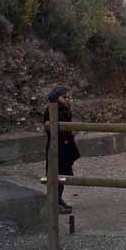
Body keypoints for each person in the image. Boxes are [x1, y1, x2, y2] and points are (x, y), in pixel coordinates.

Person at [43, 85, 80, 214]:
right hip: (58, 146)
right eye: (64, 97)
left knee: (62, 174)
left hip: (63, 144)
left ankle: (57, 200)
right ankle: (55, 201)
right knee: (56, 173)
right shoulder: (53, 109)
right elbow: (54, 129)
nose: (67, 99)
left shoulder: (63, 108)